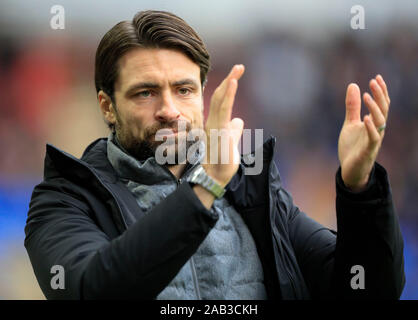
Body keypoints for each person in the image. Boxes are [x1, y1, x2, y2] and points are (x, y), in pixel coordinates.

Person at [24, 10, 405, 300]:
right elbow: (95, 290)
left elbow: (368, 288)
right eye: (146, 93)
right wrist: (206, 184)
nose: (169, 109)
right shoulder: (65, 199)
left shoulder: (253, 188)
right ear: (107, 106)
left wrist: (360, 189)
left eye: (184, 89)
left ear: (203, 95)